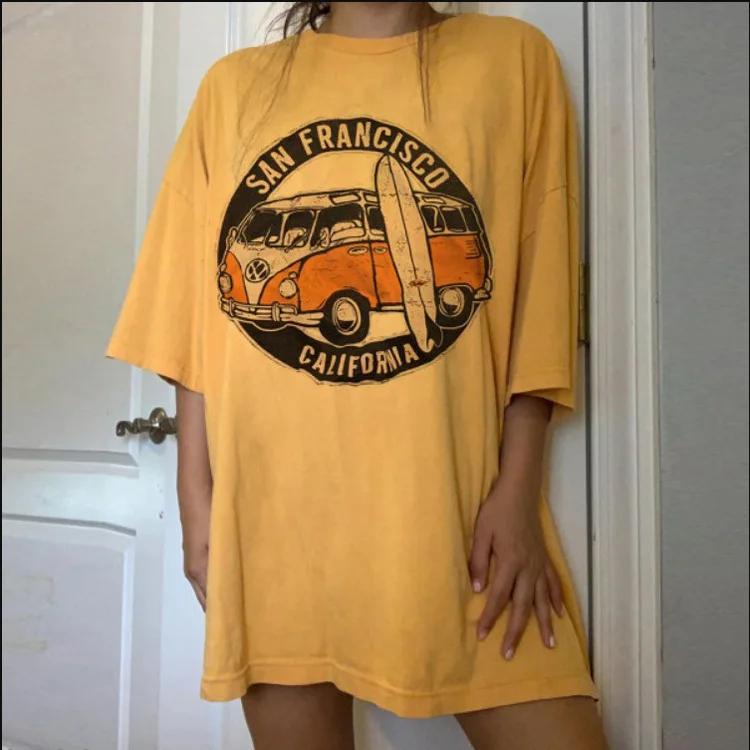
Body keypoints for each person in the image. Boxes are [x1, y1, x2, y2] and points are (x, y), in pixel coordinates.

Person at [107, 2, 610, 748]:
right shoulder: (234, 87)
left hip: (458, 525)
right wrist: (196, 503)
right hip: (275, 530)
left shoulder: (513, 59)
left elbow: (540, 298)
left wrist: (518, 491)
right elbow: (191, 310)